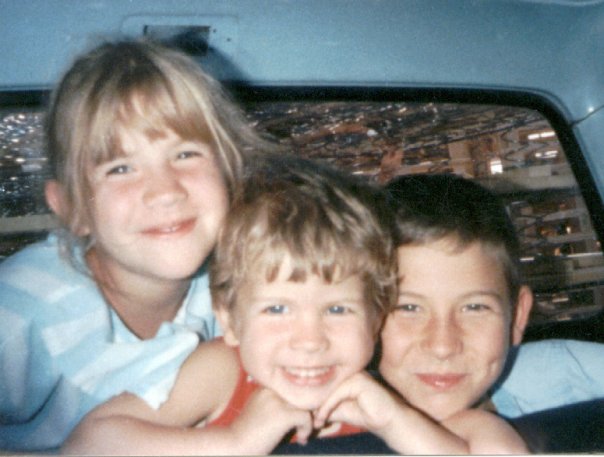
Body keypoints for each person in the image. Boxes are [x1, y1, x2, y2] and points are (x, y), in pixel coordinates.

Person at [0, 38, 266, 452]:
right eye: (120, 168)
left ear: (229, 174)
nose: (165, 191)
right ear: (73, 208)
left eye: (185, 154)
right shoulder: (20, 309)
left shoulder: (246, 286)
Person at [59, 154, 399, 455]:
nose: (310, 341)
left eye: (337, 309)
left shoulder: (384, 389)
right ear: (230, 321)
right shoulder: (224, 370)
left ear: (376, 319)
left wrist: (400, 423)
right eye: (277, 309)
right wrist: (236, 442)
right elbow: (88, 444)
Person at [314, 173, 532, 454]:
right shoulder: (320, 426)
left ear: (517, 317)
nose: (443, 346)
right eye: (408, 308)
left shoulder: (574, 383)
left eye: (474, 308)